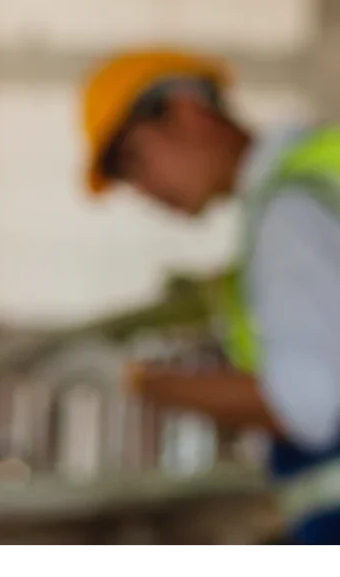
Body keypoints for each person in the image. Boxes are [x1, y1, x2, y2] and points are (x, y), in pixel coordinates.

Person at [80, 49, 340, 547]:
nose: (144, 190)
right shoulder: (310, 180)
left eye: (134, 159)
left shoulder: (287, 215)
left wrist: (136, 381)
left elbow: (308, 407)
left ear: (186, 110)